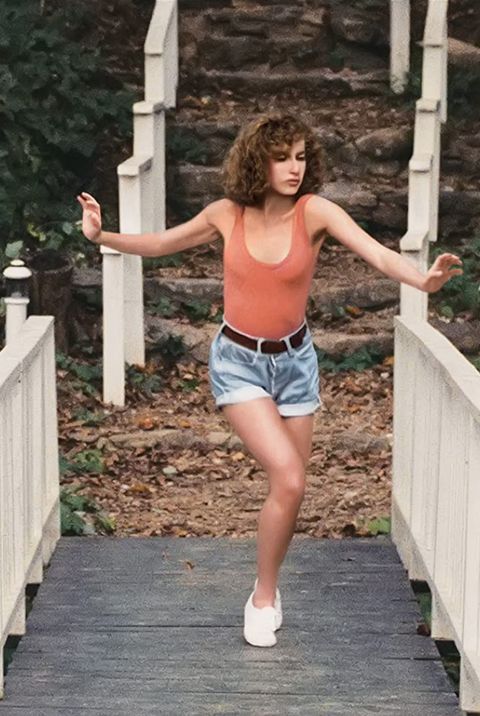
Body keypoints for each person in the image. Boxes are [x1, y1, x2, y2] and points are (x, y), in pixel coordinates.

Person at [77, 110, 462, 648]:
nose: (294, 167)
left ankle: (269, 585)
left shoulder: (315, 213)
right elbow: (163, 244)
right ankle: (260, 599)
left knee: (291, 488)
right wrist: (103, 235)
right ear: (257, 160)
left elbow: (375, 252)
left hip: (296, 364)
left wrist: (422, 279)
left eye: (301, 157)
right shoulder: (225, 214)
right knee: (290, 477)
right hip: (238, 362)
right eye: (282, 157)